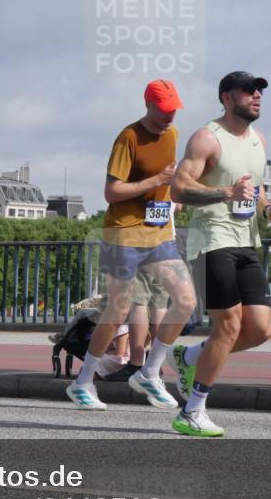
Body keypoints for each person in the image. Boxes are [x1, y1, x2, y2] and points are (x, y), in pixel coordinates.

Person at [65, 79, 197, 411]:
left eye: (175, 111)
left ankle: (149, 372)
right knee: (118, 310)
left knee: (185, 300)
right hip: (123, 234)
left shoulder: (173, 135)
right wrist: (154, 182)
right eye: (165, 111)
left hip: (158, 234)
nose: (170, 117)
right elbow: (112, 192)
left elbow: (168, 183)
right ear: (149, 106)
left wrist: (173, 200)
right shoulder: (128, 137)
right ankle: (83, 382)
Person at [171, 71, 271, 436]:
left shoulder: (259, 140)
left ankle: (190, 356)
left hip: (246, 241)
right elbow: (178, 189)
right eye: (249, 91)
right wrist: (225, 193)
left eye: (260, 92)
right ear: (226, 98)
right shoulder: (207, 137)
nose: (257, 96)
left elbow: (255, 188)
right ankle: (192, 411)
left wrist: (269, 210)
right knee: (230, 324)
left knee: (261, 330)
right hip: (211, 241)